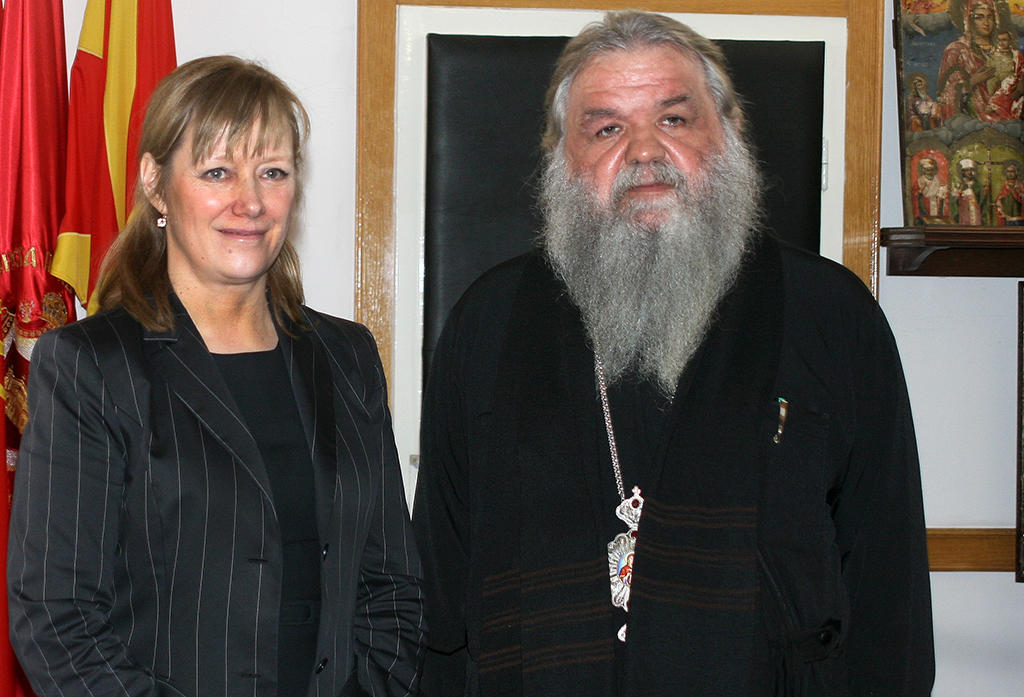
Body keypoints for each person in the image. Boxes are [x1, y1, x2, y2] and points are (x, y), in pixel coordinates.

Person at [413, 11, 934, 697]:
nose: (643, 151)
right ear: (561, 159)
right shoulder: (489, 322)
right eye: (606, 129)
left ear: (731, 132)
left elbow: (889, 593)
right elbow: (439, 591)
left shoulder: (831, 316)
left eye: (674, 120)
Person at [7, 56, 425, 697]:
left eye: (273, 172)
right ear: (155, 184)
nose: (250, 201)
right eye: (217, 172)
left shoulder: (347, 355)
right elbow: (57, 620)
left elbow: (391, 582)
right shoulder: (92, 365)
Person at [936, 0, 1024, 122]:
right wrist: (972, 82)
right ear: (969, 20)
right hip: (973, 121)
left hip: (1008, 113)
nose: (986, 23)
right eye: (979, 17)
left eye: (989, 17)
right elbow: (946, 94)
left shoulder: (1008, 51)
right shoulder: (957, 50)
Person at [951, 157, 991, 225]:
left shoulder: (977, 185)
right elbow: (954, 202)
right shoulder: (960, 185)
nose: (969, 172)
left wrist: (984, 193)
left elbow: (981, 201)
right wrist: (958, 196)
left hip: (975, 213)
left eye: (971, 170)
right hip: (963, 214)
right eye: (967, 170)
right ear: (963, 172)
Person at [912, 156, 949, 223]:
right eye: (927, 170)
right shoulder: (919, 182)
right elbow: (916, 196)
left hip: (937, 206)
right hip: (925, 208)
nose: (929, 172)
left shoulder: (937, 180)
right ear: (923, 170)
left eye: (931, 169)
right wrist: (920, 192)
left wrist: (942, 195)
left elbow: (942, 195)